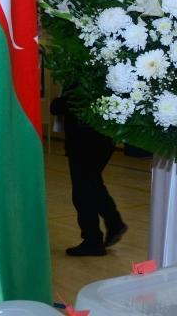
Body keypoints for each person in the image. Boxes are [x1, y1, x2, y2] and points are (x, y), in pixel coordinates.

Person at [51, 88, 127, 257]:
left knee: (82, 193)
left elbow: (69, 104)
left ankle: (93, 240)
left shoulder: (82, 78)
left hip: (84, 141)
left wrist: (57, 103)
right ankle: (114, 223)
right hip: (102, 138)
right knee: (93, 184)